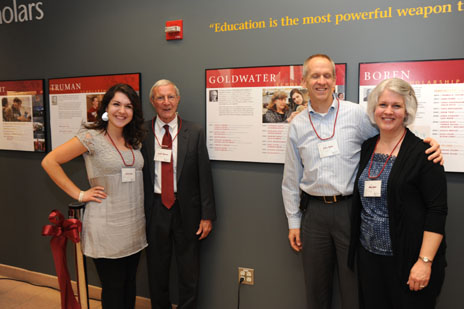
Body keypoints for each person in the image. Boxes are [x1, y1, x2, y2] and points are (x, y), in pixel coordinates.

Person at [282, 54, 442, 309]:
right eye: (315, 75)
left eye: (327, 76)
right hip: (313, 214)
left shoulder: (355, 114)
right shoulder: (297, 125)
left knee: (354, 287)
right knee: (315, 288)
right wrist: (293, 221)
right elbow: (291, 178)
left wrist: (427, 143)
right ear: (304, 80)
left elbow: (391, 131)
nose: (321, 81)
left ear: (335, 80)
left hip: (350, 210)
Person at [41, 83, 147, 309]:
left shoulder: (134, 139)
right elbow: (50, 161)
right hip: (107, 226)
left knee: (129, 284)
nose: (122, 111)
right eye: (116, 104)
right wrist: (79, 194)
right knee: (114, 287)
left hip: (134, 225)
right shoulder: (91, 136)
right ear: (106, 107)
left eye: (128, 106)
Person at [348, 78, 447, 309]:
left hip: (409, 260)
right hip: (370, 259)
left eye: (396, 106)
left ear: (407, 111)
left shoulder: (424, 153)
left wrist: (424, 262)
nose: (388, 111)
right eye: (383, 105)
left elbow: (437, 211)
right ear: (374, 109)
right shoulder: (367, 147)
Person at [142, 79, 216, 309]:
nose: (166, 102)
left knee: (189, 271)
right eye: (160, 98)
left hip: (188, 211)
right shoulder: (141, 131)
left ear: (178, 99)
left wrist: (207, 215)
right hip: (154, 210)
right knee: (157, 271)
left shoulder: (194, 131)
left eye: (170, 97)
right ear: (152, 102)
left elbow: (205, 175)